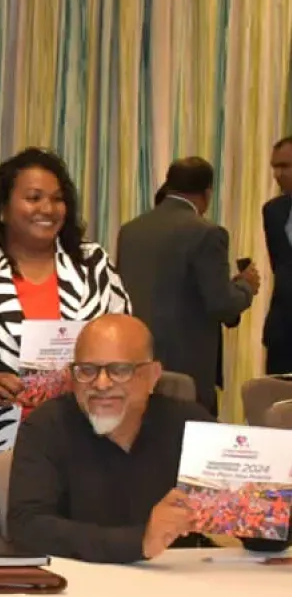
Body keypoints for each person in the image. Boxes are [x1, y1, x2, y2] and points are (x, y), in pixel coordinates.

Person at [0, 149, 130, 528]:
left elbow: (126, 338)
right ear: (3, 209)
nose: (48, 208)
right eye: (34, 197)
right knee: (0, 547)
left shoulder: (94, 266)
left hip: (84, 438)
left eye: (57, 199)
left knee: (82, 545)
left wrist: (93, 373)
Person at [7, 315, 213, 563]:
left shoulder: (192, 426)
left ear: (152, 375)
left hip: (182, 579)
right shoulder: (46, 427)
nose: (101, 384)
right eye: (87, 370)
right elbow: (27, 527)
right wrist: (139, 541)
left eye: (119, 370)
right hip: (79, 580)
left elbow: (249, 525)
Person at [117, 157, 258, 415]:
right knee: (189, 435)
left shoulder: (130, 231)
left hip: (135, 361)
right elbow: (222, 304)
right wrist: (246, 287)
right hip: (188, 370)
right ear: (207, 193)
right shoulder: (208, 233)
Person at [262, 136, 292, 374]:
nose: (278, 174)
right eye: (275, 167)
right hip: (283, 333)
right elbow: (279, 267)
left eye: (285, 166)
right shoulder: (273, 211)